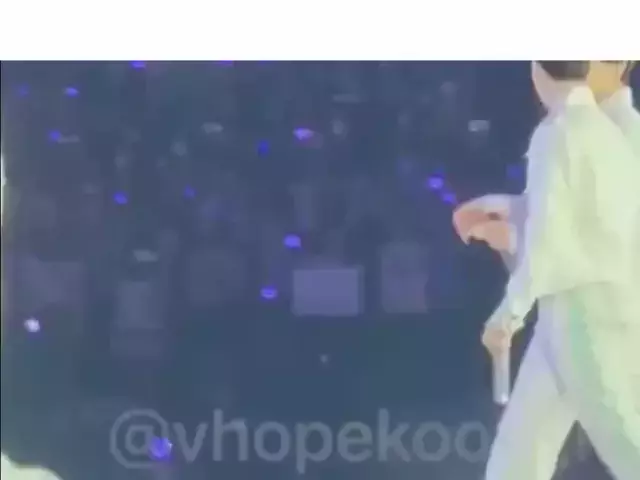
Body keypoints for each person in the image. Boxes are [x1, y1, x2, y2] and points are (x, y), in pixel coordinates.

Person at [478, 61, 640, 479]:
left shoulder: (581, 132)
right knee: (517, 456)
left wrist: (507, 315)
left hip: (591, 320)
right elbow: (568, 234)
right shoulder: (603, 132)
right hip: (569, 315)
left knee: (627, 447)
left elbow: (556, 243)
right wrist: (512, 227)